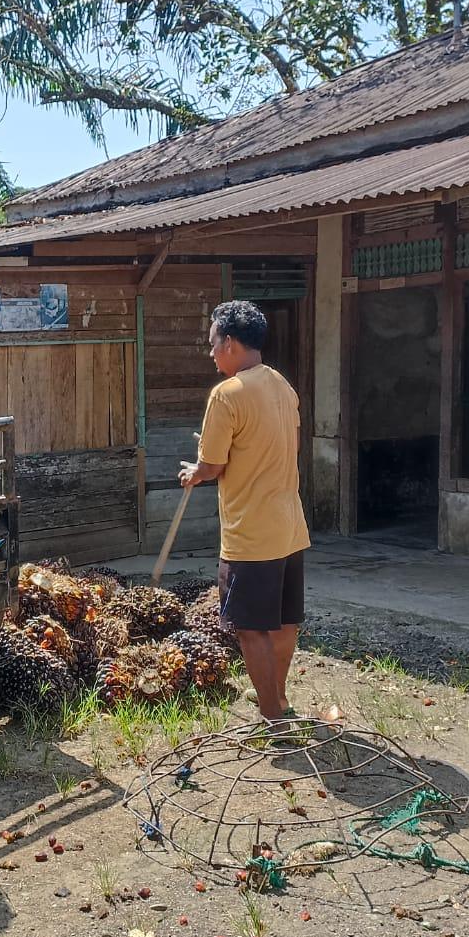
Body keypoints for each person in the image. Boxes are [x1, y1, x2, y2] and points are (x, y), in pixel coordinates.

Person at [178, 300, 309, 722]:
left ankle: (273, 717)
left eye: (213, 344)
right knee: (285, 620)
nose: (211, 353)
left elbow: (214, 465)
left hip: (250, 533)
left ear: (231, 343)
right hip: (290, 527)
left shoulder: (227, 394)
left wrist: (195, 472)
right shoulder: (282, 386)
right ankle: (280, 697)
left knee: (251, 629)